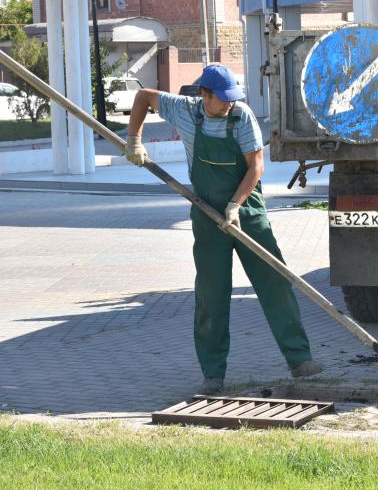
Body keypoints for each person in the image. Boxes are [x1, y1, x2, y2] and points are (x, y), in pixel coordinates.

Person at [124, 65, 321, 393]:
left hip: (246, 210)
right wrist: (133, 139)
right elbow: (144, 96)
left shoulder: (241, 117)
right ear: (204, 94)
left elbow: (256, 166)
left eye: (233, 98)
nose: (230, 104)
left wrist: (235, 206)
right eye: (223, 99)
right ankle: (213, 372)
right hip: (206, 212)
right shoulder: (186, 111)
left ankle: (300, 360)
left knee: (275, 281)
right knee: (211, 294)